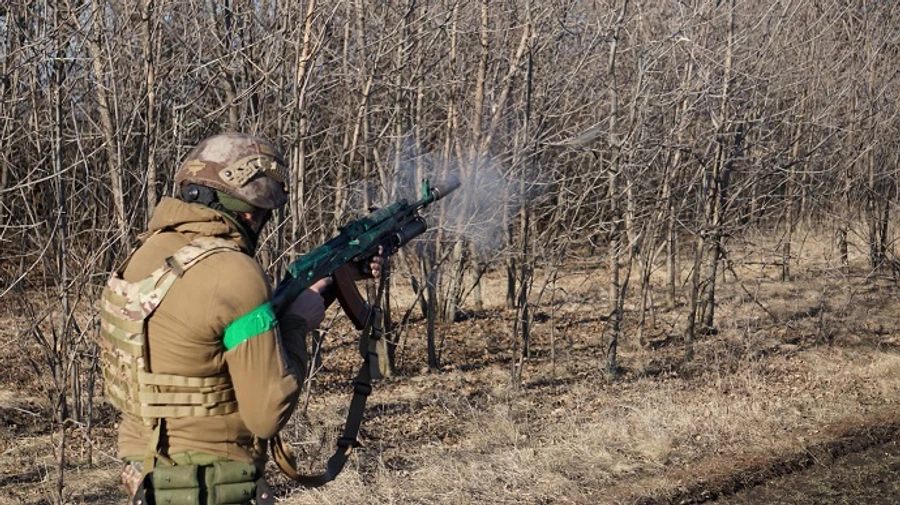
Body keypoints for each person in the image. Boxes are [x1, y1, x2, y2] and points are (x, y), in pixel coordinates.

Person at [98, 132, 381, 505]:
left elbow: (203, 342)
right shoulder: (233, 271)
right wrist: (297, 324)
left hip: (148, 478)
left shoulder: (145, 257)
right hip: (213, 482)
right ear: (250, 210)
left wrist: (337, 279)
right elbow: (267, 413)